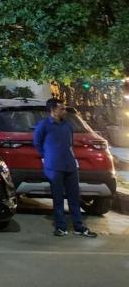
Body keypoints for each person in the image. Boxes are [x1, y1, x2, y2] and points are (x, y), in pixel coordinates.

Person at [33, 98, 97, 237]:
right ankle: (61, 226)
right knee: (58, 198)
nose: (65, 111)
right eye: (61, 108)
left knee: (74, 197)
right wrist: (48, 156)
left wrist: (73, 161)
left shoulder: (67, 125)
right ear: (53, 110)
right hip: (54, 167)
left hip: (70, 166)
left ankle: (79, 227)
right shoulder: (43, 125)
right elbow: (37, 143)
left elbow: (69, 144)